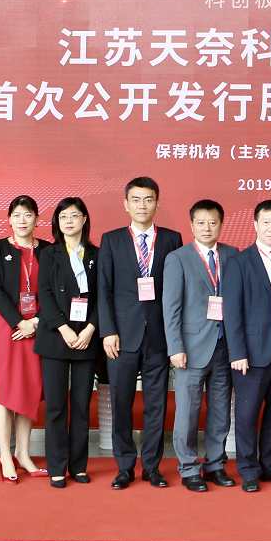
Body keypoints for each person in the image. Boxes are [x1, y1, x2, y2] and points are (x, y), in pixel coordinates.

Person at [97, 177, 183, 490]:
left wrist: (176, 336)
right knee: (121, 403)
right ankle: (124, 466)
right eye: (136, 199)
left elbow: (178, 290)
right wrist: (108, 331)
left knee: (156, 405)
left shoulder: (172, 239)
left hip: (159, 335)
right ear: (126, 204)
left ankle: (151, 466)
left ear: (157, 203)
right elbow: (103, 290)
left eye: (148, 199)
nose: (142, 205)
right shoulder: (112, 240)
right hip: (122, 336)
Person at [222, 200, 271, 492]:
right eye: (266, 222)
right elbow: (232, 312)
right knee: (247, 414)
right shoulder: (239, 262)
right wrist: (237, 353)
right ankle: (248, 470)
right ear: (255, 225)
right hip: (252, 352)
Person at [163, 199, 240, 492]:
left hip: (224, 347)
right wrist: (175, 347)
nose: (207, 228)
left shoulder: (232, 254)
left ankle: (215, 464)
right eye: (201, 222)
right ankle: (188, 467)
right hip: (191, 348)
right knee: (187, 413)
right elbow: (171, 308)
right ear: (192, 225)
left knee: (220, 411)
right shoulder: (178, 258)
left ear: (221, 224)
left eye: (213, 222)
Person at [35, 197, 100, 488]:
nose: (69, 221)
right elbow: (45, 294)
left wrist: (91, 329)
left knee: (82, 406)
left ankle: (79, 466)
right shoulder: (49, 253)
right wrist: (63, 328)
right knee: (56, 406)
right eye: (63, 217)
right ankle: (57, 466)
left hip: (87, 337)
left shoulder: (97, 254)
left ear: (84, 219)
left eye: (74, 215)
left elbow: (104, 295)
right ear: (57, 223)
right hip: (56, 336)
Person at [0, 195, 50, 483]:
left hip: (38, 328)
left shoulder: (48, 250)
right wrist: (19, 322)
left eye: (28, 214)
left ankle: (23, 454)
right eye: (17, 215)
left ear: (37, 218)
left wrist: (35, 322)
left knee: (29, 389)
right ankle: (4, 455)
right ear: (9, 219)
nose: (22, 220)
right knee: (4, 390)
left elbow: (54, 290)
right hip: (9, 329)